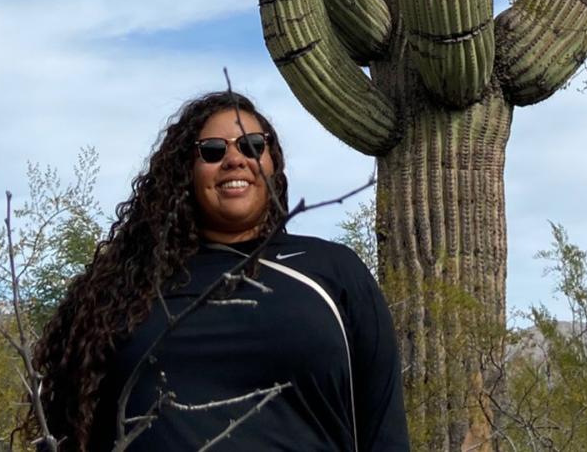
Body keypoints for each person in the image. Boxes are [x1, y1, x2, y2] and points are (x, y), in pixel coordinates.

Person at [29, 91, 409, 451]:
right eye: (212, 151)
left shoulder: (331, 272)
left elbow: (383, 429)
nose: (234, 159)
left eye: (251, 146)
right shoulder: (126, 292)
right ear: (186, 172)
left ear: (272, 163)